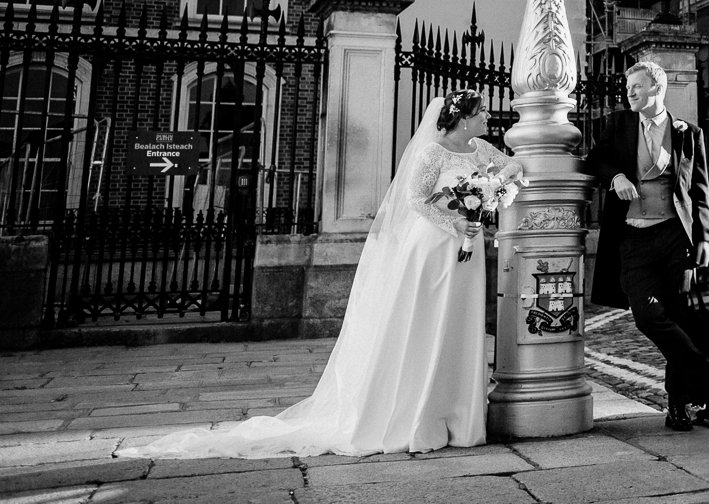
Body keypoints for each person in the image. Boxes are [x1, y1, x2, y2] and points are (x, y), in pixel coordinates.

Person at [125, 90, 519, 459]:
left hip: (467, 248)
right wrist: (456, 223)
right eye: (482, 112)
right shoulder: (433, 152)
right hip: (433, 246)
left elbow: (512, 166)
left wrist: (491, 195)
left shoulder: (480, 148)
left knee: (458, 325)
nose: (488, 116)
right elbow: (416, 199)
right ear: (464, 118)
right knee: (426, 323)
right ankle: (419, 415)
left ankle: (458, 415)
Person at [586, 59, 709, 430]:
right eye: (628, 86)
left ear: (657, 89)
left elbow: (699, 191)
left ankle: (678, 406)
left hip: (674, 236)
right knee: (649, 316)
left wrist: (705, 239)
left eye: (636, 86)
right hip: (633, 237)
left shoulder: (687, 132)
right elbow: (594, 161)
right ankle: (703, 368)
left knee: (679, 316)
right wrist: (615, 176)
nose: (629, 92)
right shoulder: (618, 124)